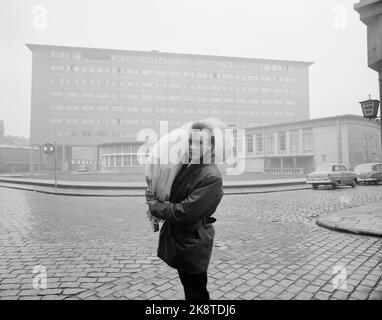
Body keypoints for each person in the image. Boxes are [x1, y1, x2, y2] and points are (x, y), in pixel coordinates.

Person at [146, 122, 224, 300]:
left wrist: (156, 207)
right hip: (183, 239)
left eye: (200, 143)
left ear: (210, 146)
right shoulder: (187, 166)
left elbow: (184, 212)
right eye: (190, 141)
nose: (193, 147)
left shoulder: (211, 176)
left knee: (196, 293)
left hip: (193, 242)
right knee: (191, 288)